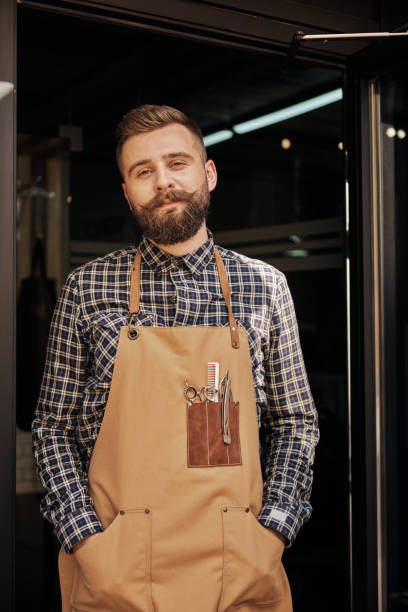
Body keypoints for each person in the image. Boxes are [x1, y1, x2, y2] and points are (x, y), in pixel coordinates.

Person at [32, 104, 319, 612]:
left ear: (208, 173)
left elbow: (295, 420)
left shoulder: (266, 287)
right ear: (127, 192)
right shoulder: (87, 287)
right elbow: (53, 427)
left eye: (177, 162)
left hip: (240, 566)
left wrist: (274, 529)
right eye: (143, 172)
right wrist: (83, 535)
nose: (163, 182)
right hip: (115, 568)